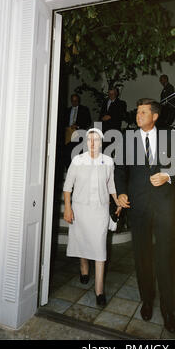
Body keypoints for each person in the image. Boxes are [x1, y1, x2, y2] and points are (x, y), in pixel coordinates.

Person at [114, 98, 175, 333]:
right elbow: (120, 169)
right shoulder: (128, 140)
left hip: (164, 207)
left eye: (143, 112)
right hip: (139, 207)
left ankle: (168, 310)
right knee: (142, 257)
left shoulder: (169, 137)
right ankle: (147, 301)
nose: (138, 115)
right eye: (137, 112)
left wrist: (168, 176)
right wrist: (121, 193)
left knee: (165, 259)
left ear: (155, 116)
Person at [63, 128, 121, 306]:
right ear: (85, 142)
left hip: (100, 211)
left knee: (99, 248)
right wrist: (67, 208)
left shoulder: (108, 161)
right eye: (89, 140)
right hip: (80, 210)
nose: (93, 143)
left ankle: (99, 290)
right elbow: (67, 187)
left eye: (96, 139)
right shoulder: (78, 160)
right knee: (82, 241)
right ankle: (84, 268)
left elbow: (111, 185)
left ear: (102, 142)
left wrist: (117, 202)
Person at [63, 93, 92, 169]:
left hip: (79, 133)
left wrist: (78, 126)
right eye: (73, 101)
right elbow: (63, 122)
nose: (74, 102)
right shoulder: (67, 110)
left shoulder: (84, 109)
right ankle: (68, 169)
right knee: (67, 152)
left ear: (79, 101)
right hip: (68, 133)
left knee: (76, 153)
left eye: (76, 101)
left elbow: (88, 122)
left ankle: (77, 170)